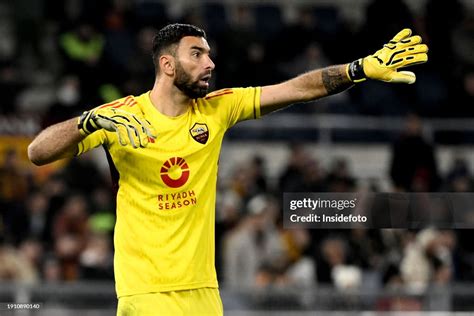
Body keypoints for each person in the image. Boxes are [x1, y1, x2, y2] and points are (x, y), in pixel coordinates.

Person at [27, 23, 428, 315]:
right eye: (197, 54)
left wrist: (358, 69)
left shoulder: (217, 108)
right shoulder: (118, 117)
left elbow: (297, 89)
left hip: (204, 293)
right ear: (167, 64)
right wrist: (86, 122)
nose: (210, 63)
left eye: (209, 54)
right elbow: (37, 152)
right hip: (146, 293)